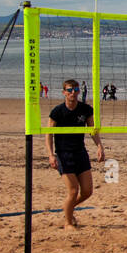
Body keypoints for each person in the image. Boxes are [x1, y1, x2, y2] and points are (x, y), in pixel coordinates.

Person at [47, 78, 105, 229]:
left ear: (79, 91)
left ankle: (68, 208)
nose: (73, 93)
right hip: (64, 154)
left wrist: (99, 146)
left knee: (87, 191)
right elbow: (48, 134)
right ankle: (68, 223)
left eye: (75, 90)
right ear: (64, 93)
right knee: (73, 191)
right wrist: (51, 154)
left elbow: (92, 130)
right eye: (69, 90)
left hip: (80, 153)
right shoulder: (57, 112)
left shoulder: (85, 109)